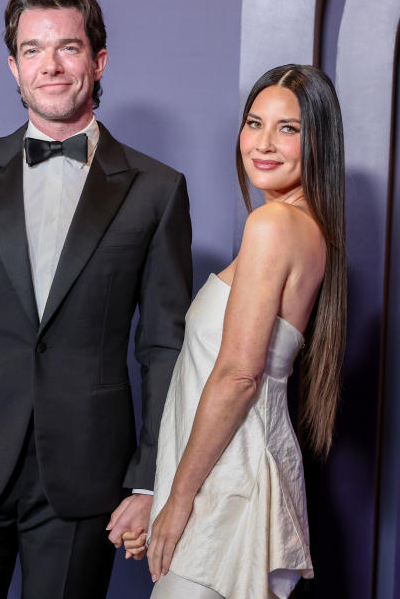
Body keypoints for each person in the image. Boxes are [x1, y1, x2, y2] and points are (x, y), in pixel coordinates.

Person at [0, 0, 193, 599]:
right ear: (13, 66)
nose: (49, 65)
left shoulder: (157, 190)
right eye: (32, 50)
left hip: (87, 476)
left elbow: (164, 347)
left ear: (97, 61)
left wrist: (148, 479)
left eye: (67, 48)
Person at [122, 65, 347, 599]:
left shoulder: (271, 226)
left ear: (319, 141)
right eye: (254, 123)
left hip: (227, 487)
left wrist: (177, 502)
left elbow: (238, 375)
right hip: (239, 475)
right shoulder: (310, 231)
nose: (263, 144)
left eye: (288, 128)